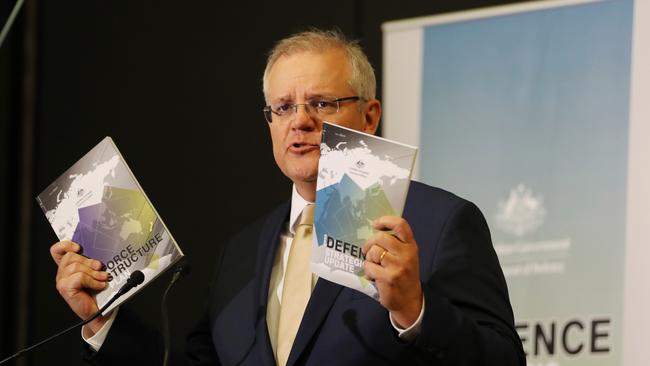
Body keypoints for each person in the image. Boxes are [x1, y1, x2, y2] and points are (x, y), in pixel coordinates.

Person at [50, 29, 525, 365]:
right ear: (271, 124)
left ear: (370, 114)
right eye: (283, 107)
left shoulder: (440, 222)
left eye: (321, 103)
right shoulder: (240, 254)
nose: (300, 120)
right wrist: (103, 320)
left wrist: (414, 310)